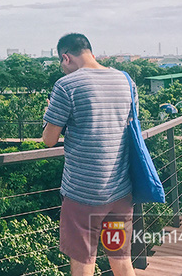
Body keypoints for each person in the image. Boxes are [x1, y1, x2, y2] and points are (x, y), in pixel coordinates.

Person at [43, 33, 136, 276]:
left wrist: (50, 116)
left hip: (83, 195)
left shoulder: (66, 86)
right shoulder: (126, 81)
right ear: (91, 53)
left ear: (66, 58)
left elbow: (49, 140)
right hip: (120, 192)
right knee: (122, 259)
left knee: (84, 262)